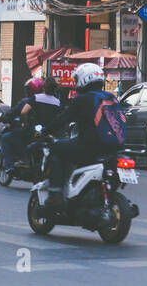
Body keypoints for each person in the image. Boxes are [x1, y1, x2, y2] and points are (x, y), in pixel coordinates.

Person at [42, 63, 115, 204]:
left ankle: (55, 193)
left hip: (89, 146)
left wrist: (45, 131)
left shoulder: (82, 100)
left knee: (55, 149)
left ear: (83, 80)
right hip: (113, 147)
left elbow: (63, 119)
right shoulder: (111, 97)